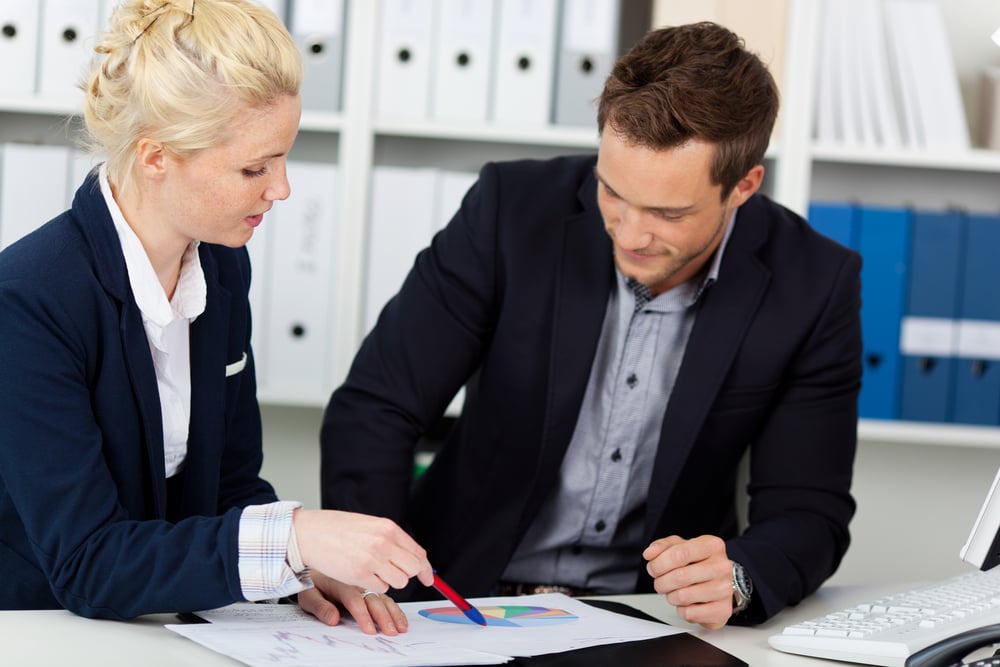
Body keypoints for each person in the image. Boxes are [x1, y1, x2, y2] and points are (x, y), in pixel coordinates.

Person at [321, 21, 862, 630]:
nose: (630, 235)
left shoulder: (815, 282)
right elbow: (378, 404)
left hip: (652, 615)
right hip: (459, 594)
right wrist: (360, 565)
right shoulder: (509, 208)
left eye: (668, 213)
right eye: (612, 193)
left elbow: (808, 509)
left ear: (743, 186)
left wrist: (736, 578)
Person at [0, 0, 433, 634]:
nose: (281, 189)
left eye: (284, 158)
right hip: (45, 630)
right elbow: (88, 561)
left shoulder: (223, 269)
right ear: (155, 158)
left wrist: (303, 572)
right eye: (254, 167)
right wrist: (292, 539)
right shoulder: (29, 301)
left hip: (161, 627)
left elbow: (229, 487)